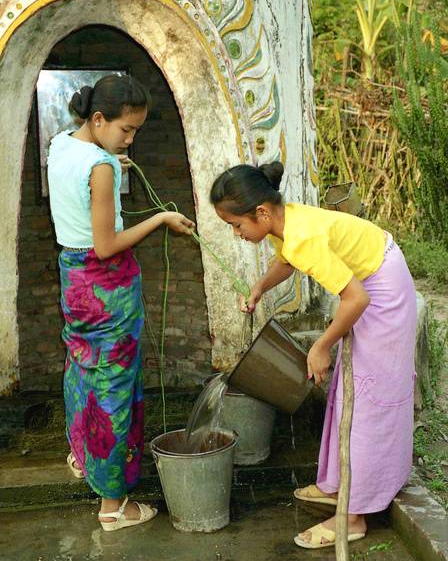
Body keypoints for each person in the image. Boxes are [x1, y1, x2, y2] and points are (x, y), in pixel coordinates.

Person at [209, 162, 416, 550]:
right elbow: (286, 261)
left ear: (262, 213)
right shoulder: (283, 225)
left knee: (368, 399)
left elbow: (357, 298)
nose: (236, 234)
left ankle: (352, 518)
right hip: (370, 279)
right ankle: (339, 487)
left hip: (382, 289)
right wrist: (259, 287)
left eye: (235, 225)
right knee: (348, 387)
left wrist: (321, 346)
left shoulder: (301, 236)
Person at [47, 74, 194, 532]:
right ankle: (114, 504)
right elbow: (108, 244)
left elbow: (80, 186)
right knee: (115, 389)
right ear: (98, 118)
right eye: (125, 130)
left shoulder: (61, 144)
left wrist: (112, 162)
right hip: (106, 286)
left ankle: (82, 454)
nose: (129, 139)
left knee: (83, 369)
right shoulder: (101, 168)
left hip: (74, 280)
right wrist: (161, 219)